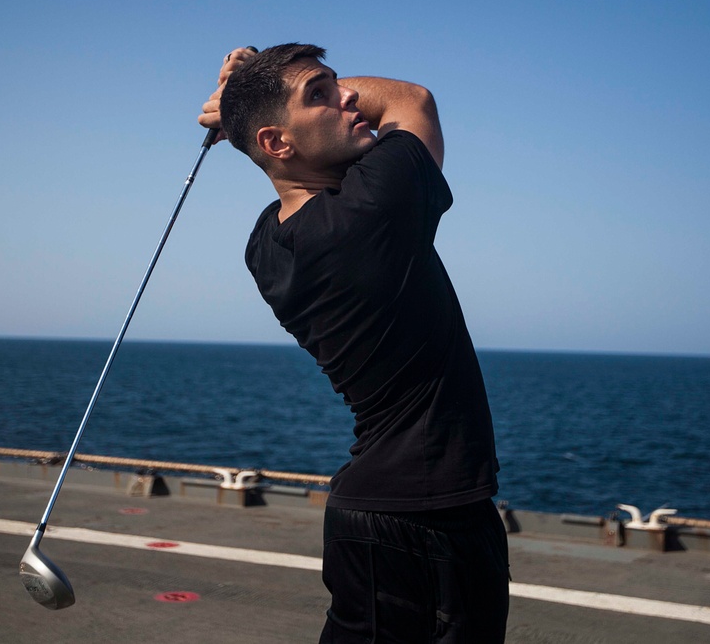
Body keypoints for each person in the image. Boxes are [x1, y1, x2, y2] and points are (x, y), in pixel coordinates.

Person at [199, 43, 508, 643]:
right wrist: (247, 93)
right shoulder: (370, 212)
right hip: (428, 517)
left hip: (373, 516)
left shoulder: (267, 243)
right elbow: (411, 100)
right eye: (321, 92)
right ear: (277, 143)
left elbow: (291, 161)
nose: (348, 97)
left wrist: (249, 97)